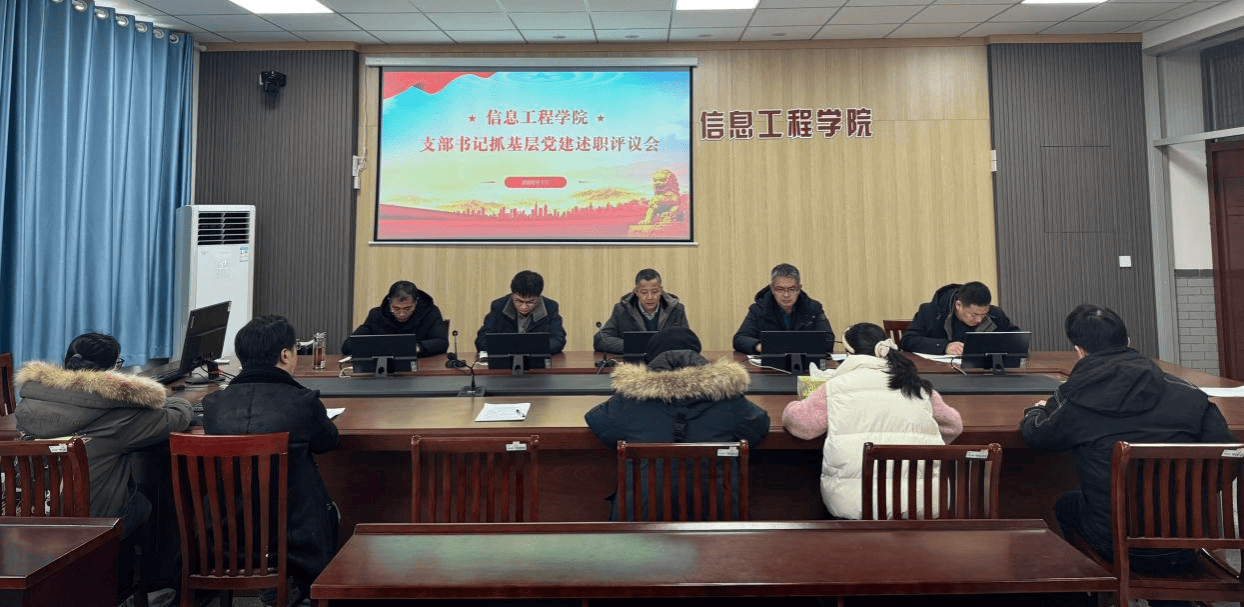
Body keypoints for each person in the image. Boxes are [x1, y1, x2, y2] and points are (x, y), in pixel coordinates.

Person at [1021, 304, 1234, 596]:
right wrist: (1189, 499)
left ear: (1080, 351)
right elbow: (1227, 457)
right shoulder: (1187, 393)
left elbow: (1038, 436)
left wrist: (1035, 411)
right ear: (1128, 341)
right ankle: (1170, 598)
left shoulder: (1075, 398)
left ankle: (1091, 592)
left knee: (1065, 504)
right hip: (1187, 541)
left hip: (1114, 543)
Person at [15, 332, 194, 599]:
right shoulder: (118, 414)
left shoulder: (30, 403)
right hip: (93, 524)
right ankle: (146, 588)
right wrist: (167, 397)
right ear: (112, 372)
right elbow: (175, 418)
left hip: (30, 520)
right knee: (152, 497)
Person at [201, 315, 340, 604]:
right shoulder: (303, 402)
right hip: (295, 541)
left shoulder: (214, 406)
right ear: (286, 355)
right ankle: (303, 588)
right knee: (330, 509)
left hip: (225, 537)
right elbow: (328, 443)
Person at [585, 326, 770, 520]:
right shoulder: (728, 396)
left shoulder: (629, 398)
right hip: (717, 521)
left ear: (650, 360)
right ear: (699, 357)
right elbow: (758, 427)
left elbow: (599, 423)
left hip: (643, 519)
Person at [782, 323, 962, 519]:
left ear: (849, 353)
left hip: (857, 504)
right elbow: (953, 425)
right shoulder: (916, 385)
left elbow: (803, 425)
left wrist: (793, 406)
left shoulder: (836, 386)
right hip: (924, 502)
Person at [732, 263, 834, 355]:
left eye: (792, 289)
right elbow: (739, 339)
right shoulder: (759, 309)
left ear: (799, 289)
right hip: (770, 365)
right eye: (780, 289)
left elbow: (828, 340)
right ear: (772, 289)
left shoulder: (813, 308)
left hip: (806, 364)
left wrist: (791, 347)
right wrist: (760, 346)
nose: (786, 295)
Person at [900, 281, 1019, 355]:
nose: (979, 320)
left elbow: (1016, 340)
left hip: (982, 374)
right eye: (973, 315)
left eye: (983, 314)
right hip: (939, 373)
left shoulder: (995, 314)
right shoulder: (931, 312)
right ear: (958, 305)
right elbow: (908, 340)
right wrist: (944, 346)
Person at [593, 268, 690, 354]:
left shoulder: (676, 309)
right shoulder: (622, 310)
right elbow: (601, 339)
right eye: (644, 292)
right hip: (634, 363)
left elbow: (687, 341)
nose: (649, 297)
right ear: (636, 292)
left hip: (667, 362)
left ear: (661, 290)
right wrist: (636, 346)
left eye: (654, 292)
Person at [341, 280, 448, 356]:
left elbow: (442, 342)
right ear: (389, 303)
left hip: (422, 369)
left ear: (416, 302)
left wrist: (416, 348)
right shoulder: (377, 315)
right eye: (396, 309)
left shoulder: (430, 312)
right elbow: (348, 346)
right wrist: (379, 348)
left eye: (407, 308)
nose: (402, 314)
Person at [475, 270, 567, 355]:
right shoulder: (499, 306)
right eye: (518, 301)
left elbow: (558, 340)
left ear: (539, 297)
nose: (524, 306)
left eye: (530, 302)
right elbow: (482, 340)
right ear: (512, 295)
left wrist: (526, 349)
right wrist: (512, 349)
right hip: (506, 360)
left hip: (537, 361)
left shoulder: (550, 307)